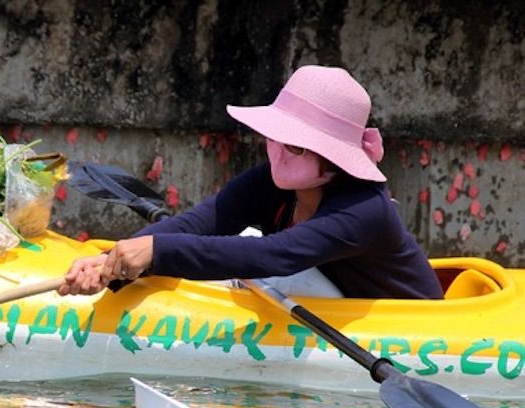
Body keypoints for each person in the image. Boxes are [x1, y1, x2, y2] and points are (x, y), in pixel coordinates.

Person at [58, 65, 444, 300]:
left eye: (294, 146)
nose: (275, 152)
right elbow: (202, 224)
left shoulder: (363, 208)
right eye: (272, 137)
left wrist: (157, 253)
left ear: (334, 156)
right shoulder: (272, 180)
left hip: (409, 323)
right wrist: (116, 260)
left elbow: (272, 256)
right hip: (321, 292)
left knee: (252, 252)